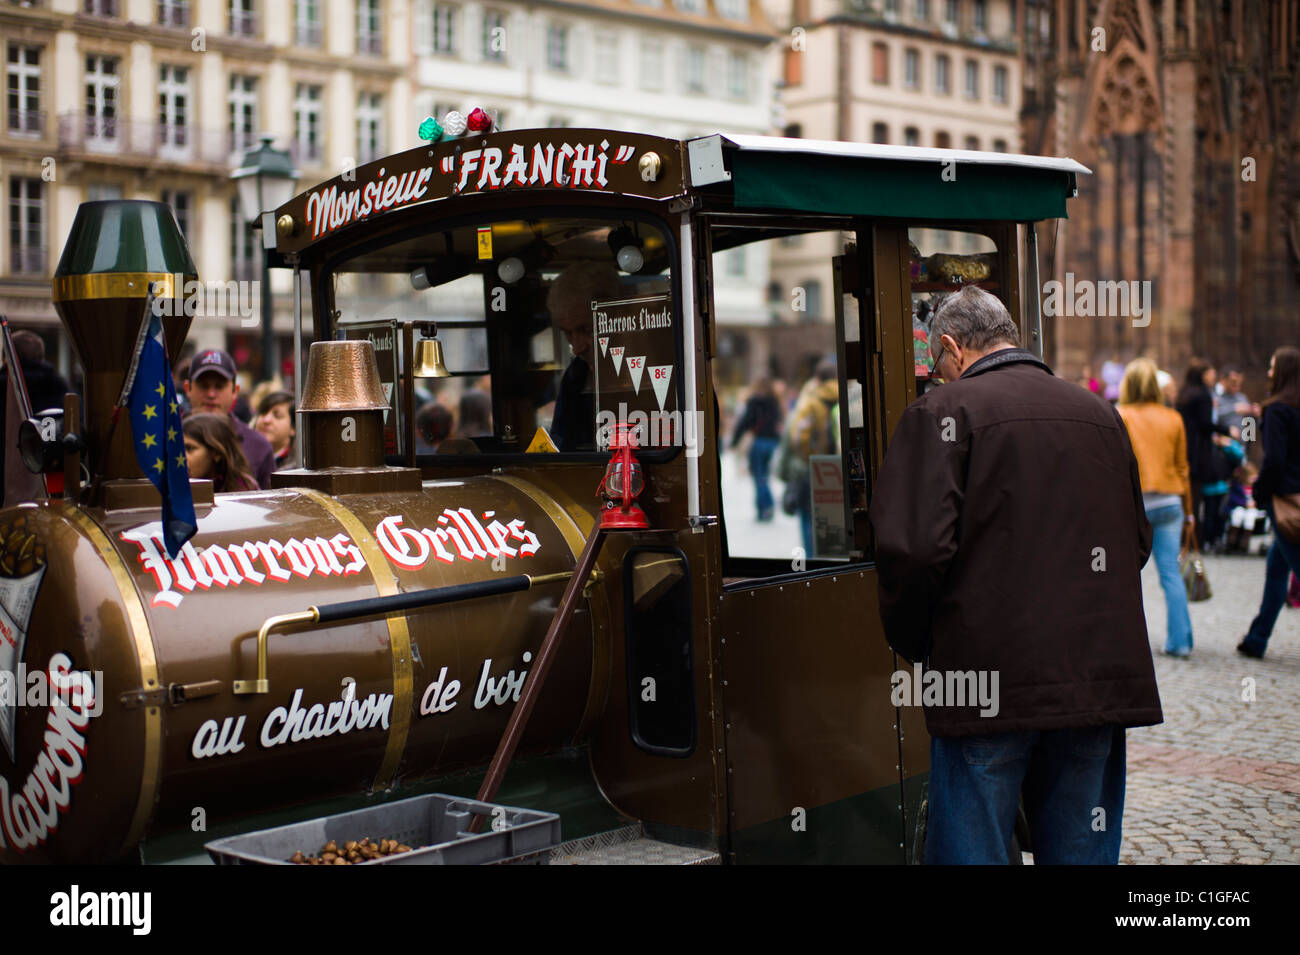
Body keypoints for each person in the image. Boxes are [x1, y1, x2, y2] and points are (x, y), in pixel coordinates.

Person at [869, 285, 1162, 865]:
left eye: (937, 367)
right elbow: (1136, 543)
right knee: (1080, 850)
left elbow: (914, 552)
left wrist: (916, 644)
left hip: (985, 683)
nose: (937, 378)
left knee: (971, 851)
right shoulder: (1100, 414)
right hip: (1094, 678)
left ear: (951, 348)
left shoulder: (941, 414)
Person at [1117, 359, 1195, 657]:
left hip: (1135, 504)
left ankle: (1125, 644)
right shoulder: (1173, 418)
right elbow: (1183, 469)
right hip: (1171, 503)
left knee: (1124, 576)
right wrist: (1189, 513)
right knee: (1171, 575)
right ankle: (1181, 642)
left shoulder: (1122, 415)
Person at [1238, 346, 1300, 659]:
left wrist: (1260, 493)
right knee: (1277, 568)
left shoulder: (1277, 409)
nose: (1268, 373)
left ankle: (1257, 638)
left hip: (1287, 503)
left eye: (1273, 367)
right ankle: (1256, 639)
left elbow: (1274, 460)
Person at [547, 263, 623, 451]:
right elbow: (563, 447)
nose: (577, 348)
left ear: (617, 316)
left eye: (586, 329)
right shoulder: (576, 376)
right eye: (567, 333)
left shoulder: (657, 366)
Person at [183, 348, 275, 489]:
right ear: (188, 388)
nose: (211, 394)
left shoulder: (260, 447)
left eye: (219, 386)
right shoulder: (167, 437)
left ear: (235, 391)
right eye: (204, 385)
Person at [781, 360, 839, 552]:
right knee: (834, 516)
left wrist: (808, 456)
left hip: (814, 466)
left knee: (808, 515)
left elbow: (799, 436)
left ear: (817, 379)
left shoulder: (811, 400)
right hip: (837, 466)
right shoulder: (846, 396)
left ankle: (813, 561)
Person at [1175, 359, 1231, 549]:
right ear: (1202, 375)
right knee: (1198, 498)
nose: (1213, 376)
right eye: (1210, 373)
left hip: (1184, 449)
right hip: (1199, 452)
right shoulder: (1203, 395)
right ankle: (1196, 539)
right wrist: (1227, 430)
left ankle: (1186, 537)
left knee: (1187, 496)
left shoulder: (1184, 394)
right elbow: (1206, 424)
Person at [730, 378, 783, 522]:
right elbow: (778, 422)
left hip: (758, 441)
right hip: (771, 442)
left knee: (758, 476)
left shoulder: (754, 401)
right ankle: (763, 507)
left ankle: (766, 506)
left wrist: (735, 440)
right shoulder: (774, 401)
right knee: (764, 474)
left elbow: (746, 421)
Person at [183, 413, 259, 493]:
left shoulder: (244, 490)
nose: (181, 457)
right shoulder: (175, 485)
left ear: (216, 453)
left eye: (190, 448)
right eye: (180, 449)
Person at [254, 390, 296, 470]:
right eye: (263, 413)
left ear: (293, 428)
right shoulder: (244, 457)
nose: (266, 420)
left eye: (277, 416)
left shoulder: (297, 467)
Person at [1214, 367, 1252, 439]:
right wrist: (1234, 409)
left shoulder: (1242, 398)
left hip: (1241, 446)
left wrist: (1254, 414)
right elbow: (1212, 417)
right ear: (1223, 380)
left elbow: (1250, 424)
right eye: (1234, 381)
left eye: (1240, 381)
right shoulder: (1215, 396)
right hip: (1222, 445)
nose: (1237, 384)